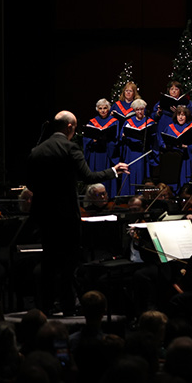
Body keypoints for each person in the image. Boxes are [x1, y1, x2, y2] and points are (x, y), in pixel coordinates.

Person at [27, 111, 130, 314]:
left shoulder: (37, 151)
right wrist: (113, 171)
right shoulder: (70, 147)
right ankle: (67, 307)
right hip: (66, 217)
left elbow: (30, 184)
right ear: (70, 127)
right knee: (68, 264)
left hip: (45, 216)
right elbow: (88, 176)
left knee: (48, 262)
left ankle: (45, 308)